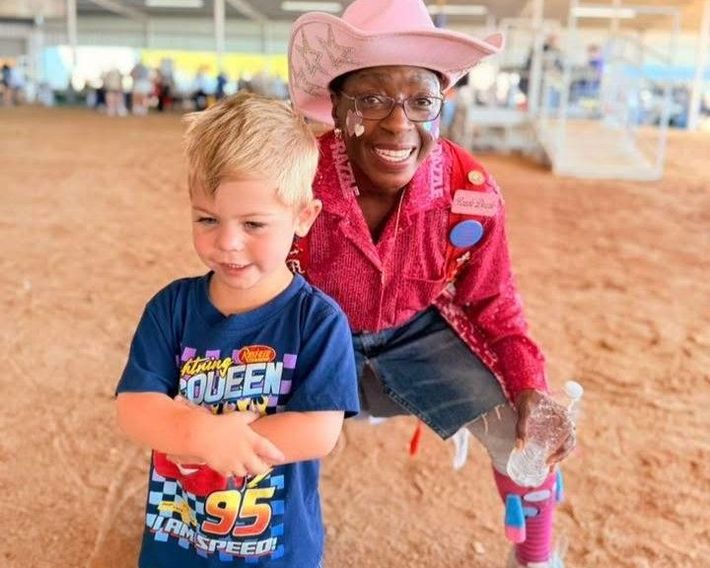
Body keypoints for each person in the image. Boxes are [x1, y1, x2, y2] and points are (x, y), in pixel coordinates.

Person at [287, 1, 575, 567]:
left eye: (421, 101)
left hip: (418, 330)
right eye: (370, 99)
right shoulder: (297, 177)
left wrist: (530, 388)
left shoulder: (469, 192)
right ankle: (279, 546)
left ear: (441, 108)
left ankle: (537, 558)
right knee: (270, 433)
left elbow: (493, 300)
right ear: (337, 107)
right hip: (312, 330)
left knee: (525, 434)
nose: (399, 124)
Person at [115, 92, 360, 567]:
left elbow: (319, 430)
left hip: (277, 551)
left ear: (303, 217)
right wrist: (201, 435)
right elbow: (134, 408)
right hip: (178, 543)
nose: (227, 243)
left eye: (253, 224)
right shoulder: (172, 309)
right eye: (207, 218)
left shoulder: (318, 320)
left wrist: (230, 442)